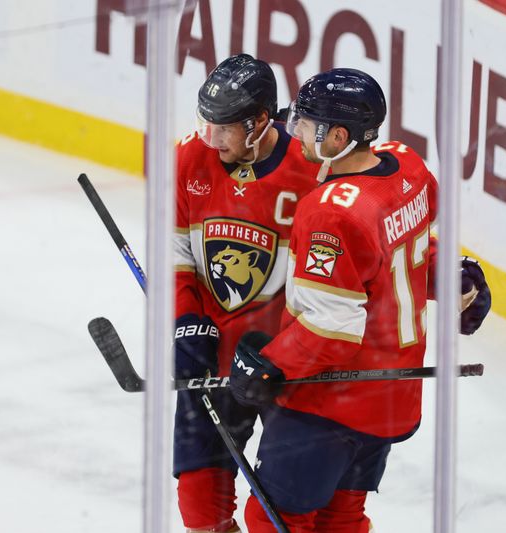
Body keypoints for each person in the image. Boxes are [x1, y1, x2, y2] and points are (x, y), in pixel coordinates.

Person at [228, 68, 492, 532]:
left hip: (330, 401)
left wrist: (269, 365)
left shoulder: (331, 212)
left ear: (338, 137)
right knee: (342, 516)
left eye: (307, 126)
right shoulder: (406, 165)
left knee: (275, 517)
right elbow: (403, 254)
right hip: (391, 396)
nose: (297, 135)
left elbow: (330, 328)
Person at [173, 53, 321, 532]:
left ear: (259, 121)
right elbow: (177, 254)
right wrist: (184, 321)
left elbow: (367, 236)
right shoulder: (190, 158)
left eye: (224, 128)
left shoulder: (310, 170)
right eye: (206, 124)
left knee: (282, 515)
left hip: (282, 367)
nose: (211, 140)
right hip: (214, 358)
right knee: (199, 513)